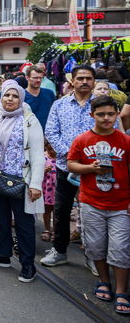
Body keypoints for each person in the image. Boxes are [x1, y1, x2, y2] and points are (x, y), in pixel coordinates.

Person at [67, 96, 130, 315]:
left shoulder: (125, 141)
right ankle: (105, 281)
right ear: (91, 115)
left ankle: (122, 290)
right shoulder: (82, 140)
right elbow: (71, 164)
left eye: (110, 114)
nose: (106, 118)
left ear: (117, 114)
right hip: (91, 202)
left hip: (121, 205)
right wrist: (90, 168)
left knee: (121, 248)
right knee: (95, 245)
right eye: (101, 114)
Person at [0, 80, 44, 283]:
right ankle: (3, 254)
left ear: (21, 99)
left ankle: (27, 264)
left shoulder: (29, 120)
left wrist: (35, 184)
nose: (10, 99)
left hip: (21, 180)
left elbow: (38, 154)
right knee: (1, 219)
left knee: (24, 224)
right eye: (7, 95)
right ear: (2, 96)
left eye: (15, 96)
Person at [42, 65, 102, 267]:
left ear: (94, 82)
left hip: (94, 169)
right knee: (62, 210)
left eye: (88, 78)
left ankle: (94, 256)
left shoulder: (100, 106)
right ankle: (59, 250)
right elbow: (51, 131)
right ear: (72, 82)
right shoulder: (60, 105)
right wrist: (70, 155)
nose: (84, 82)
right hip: (65, 167)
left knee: (92, 213)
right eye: (80, 78)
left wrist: (87, 159)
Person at [24, 65, 56, 130]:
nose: (38, 80)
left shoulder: (49, 93)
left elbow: (55, 114)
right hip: (29, 133)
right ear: (27, 77)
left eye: (41, 78)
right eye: (35, 78)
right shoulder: (21, 96)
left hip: (48, 133)